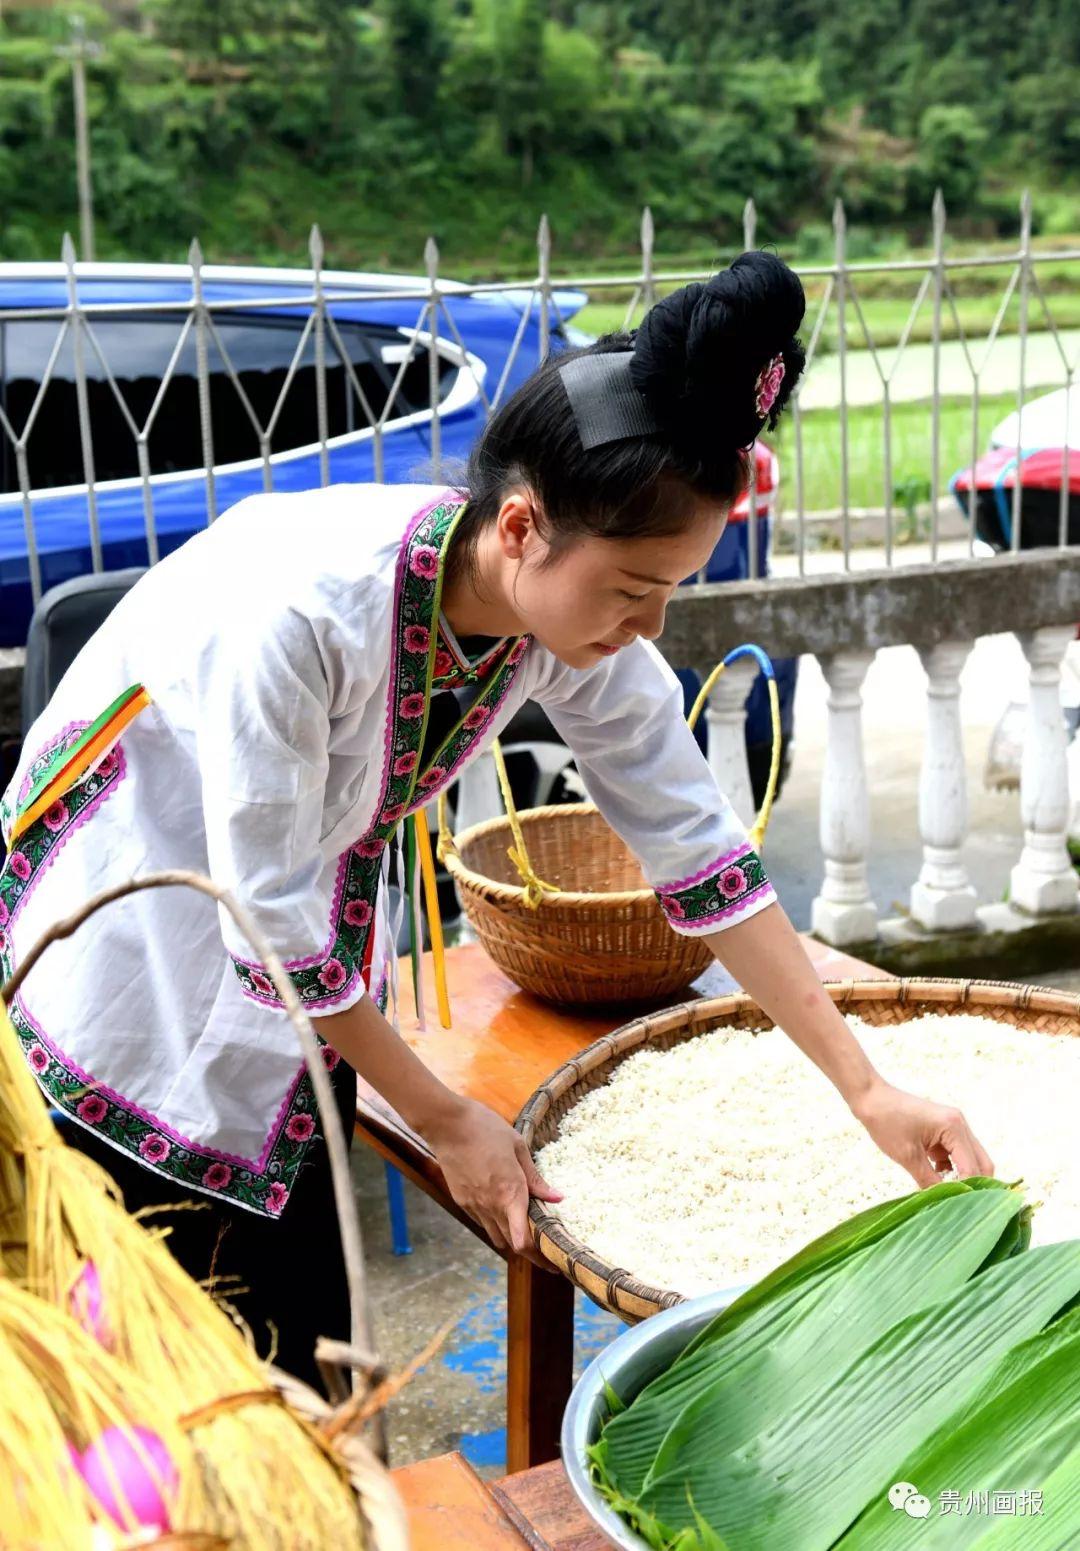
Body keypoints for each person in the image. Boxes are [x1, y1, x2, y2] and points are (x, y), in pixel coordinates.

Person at [0, 252, 994, 1390]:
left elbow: (699, 846)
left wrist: (867, 1088)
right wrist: (444, 1116)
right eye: (631, 589)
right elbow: (266, 924)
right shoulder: (294, 615)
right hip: (126, 933)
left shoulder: (561, 624)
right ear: (522, 527)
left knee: (301, 1360)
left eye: (673, 587)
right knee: (140, 1359)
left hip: (280, 937)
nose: (647, 623)